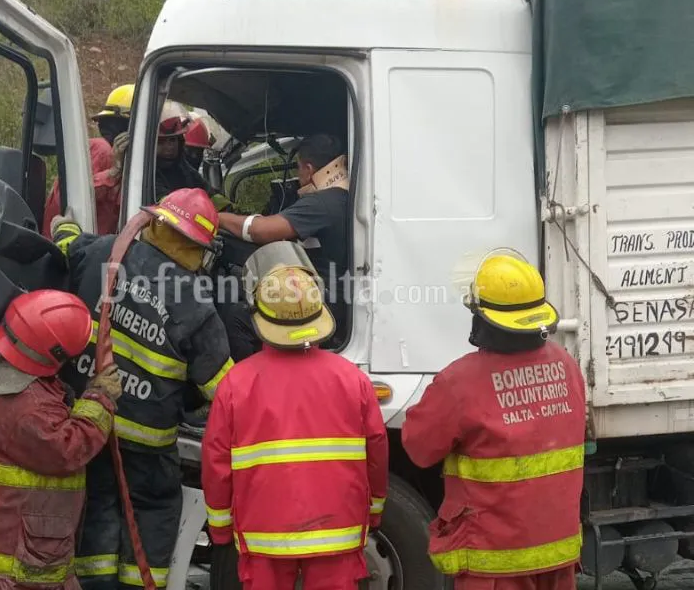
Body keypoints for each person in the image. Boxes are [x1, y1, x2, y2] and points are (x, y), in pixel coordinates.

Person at [50, 187, 234, 590]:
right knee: (151, 515)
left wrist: (64, 223)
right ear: (198, 247)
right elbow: (225, 389)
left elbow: (64, 243)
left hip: (91, 425)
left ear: (154, 223)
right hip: (149, 448)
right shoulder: (194, 301)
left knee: (96, 511)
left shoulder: (100, 253)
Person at [201, 241, 388, 590]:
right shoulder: (353, 380)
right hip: (338, 533)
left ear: (258, 315)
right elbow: (376, 453)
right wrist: (374, 510)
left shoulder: (235, 384)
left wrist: (221, 528)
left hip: (264, 536)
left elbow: (216, 464)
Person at [400, 250, 586, 590]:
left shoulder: (459, 382)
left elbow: (419, 448)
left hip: (493, 563)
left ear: (480, 316)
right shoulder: (566, 365)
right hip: (557, 555)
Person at [0, 289, 123, 590]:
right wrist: (99, 398)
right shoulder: (28, 408)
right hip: (12, 561)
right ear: (53, 353)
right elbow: (68, 449)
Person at [217, 134, 350, 360]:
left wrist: (215, 216)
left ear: (308, 168)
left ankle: (253, 379)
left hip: (324, 302)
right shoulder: (343, 195)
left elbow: (262, 230)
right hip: (338, 295)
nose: (298, 177)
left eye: (298, 168)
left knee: (235, 317)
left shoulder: (322, 202)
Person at [42, 84, 135, 237]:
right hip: (71, 248)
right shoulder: (102, 150)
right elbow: (73, 198)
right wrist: (113, 172)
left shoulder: (121, 160)